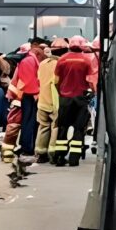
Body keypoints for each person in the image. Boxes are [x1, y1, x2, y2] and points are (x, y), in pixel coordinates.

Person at [53, 36, 95, 166]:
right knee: (78, 129)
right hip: (80, 99)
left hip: (65, 99)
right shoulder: (86, 60)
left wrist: (61, 92)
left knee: (63, 128)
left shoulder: (62, 60)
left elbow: (55, 81)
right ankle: (74, 158)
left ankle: (59, 157)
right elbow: (90, 81)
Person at [7, 38, 47, 159]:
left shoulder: (26, 60)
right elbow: (29, 81)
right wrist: (36, 94)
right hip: (30, 95)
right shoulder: (29, 60)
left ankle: (27, 146)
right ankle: (28, 147)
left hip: (26, 95)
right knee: (29, 121)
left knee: (27, 121)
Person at [35, 38, 67, 163]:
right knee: (55, 127)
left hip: (42, 100)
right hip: (55, 102)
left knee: (43, 126)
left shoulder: (43, 64)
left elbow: (39, 79)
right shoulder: (60, 64)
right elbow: (58, 82)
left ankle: (40, 153)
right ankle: (53, 153)